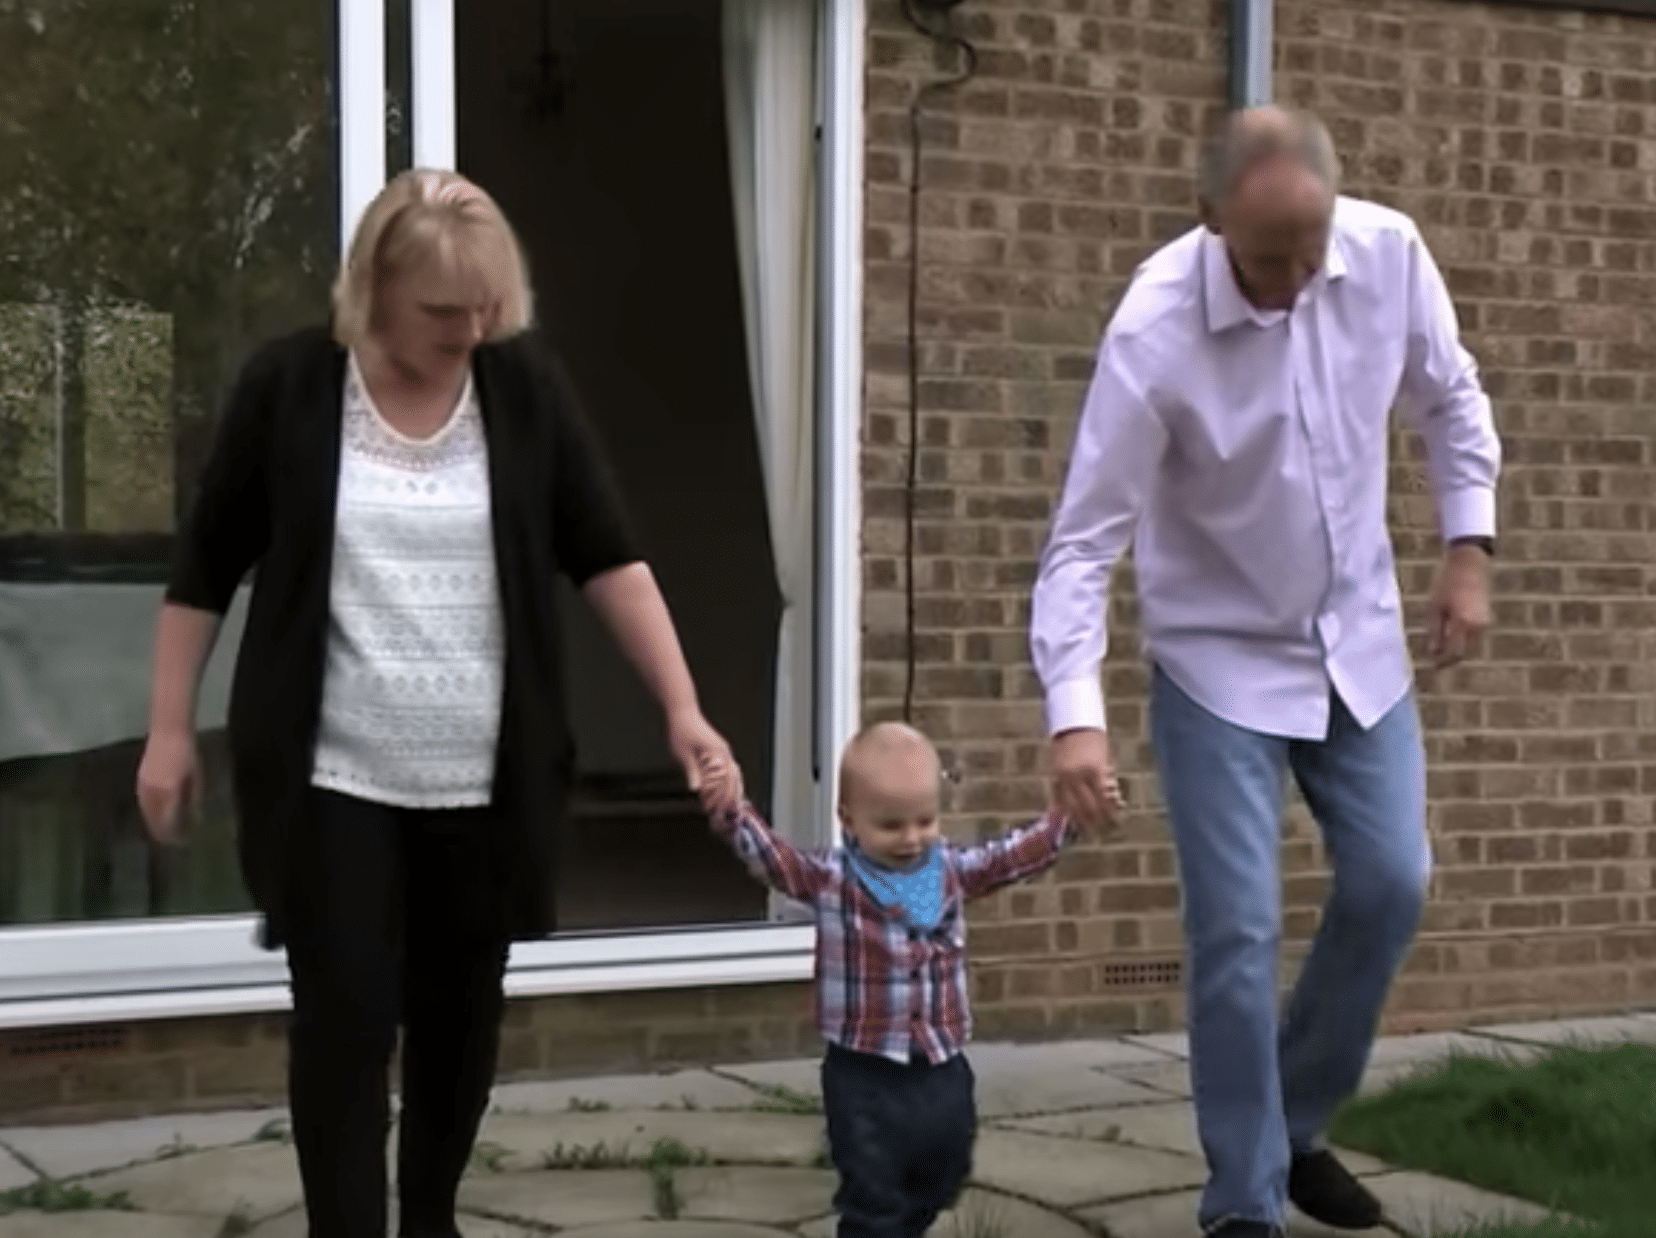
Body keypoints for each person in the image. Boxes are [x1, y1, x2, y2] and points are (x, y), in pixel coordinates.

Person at [134, 168, 743, 1238]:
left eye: (486, 310)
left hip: (482, 780)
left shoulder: (524, 389)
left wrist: (681, 707)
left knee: (461, 1022)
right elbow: (204, 569)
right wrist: (170, 729)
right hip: (334, 775)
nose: (471, 333)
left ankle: (429, 1218)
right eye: (443, 315)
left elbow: (608, 557)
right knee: (347, 1017)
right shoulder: (291, 388)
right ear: (372, 288)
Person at [1030, 108, 1501, 1238]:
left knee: (1393, 881)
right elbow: (1086, 539)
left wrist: (1467, 552)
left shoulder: (1386, 257)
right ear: (1210, 219)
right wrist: (1074, 718)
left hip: (1360, 643)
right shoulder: (1154, 328)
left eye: (1309, 250)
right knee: (1236, 932)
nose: (1295, 281)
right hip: (1216, 664)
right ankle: (1244, 1199)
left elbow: (1450, 399)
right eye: (1267, 258)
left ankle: (1292, 1124)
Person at [697, 721, 1104, 1238]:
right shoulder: (831, 879)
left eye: (924, 821)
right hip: (863, 1072)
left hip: (941, 1063)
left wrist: (1068, 818)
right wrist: (731, 808)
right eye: (890, 826)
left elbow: (1011, 856)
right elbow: (773, 858)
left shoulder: (950, 870)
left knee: (946, 1169)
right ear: (848, 819)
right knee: (873, 1192)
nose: (911, 838)